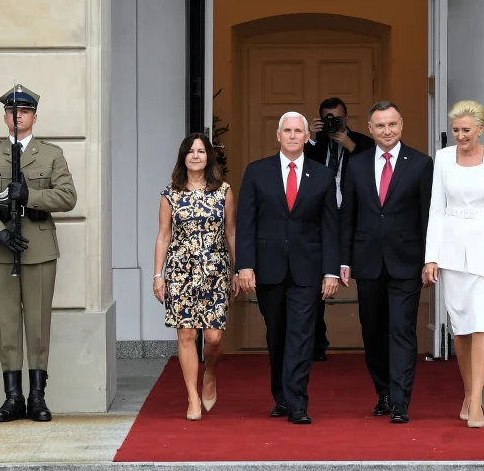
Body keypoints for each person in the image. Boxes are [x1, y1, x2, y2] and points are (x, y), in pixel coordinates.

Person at [0, 86, 77, 423]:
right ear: (5, 117)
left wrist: (30, 196)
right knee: (7, 323)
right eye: (12, 111)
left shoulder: (51, 154)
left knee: (38, 324)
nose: (17, 116)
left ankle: (37, 397)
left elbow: (68, 196)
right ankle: (13, 398)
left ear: (34, 117)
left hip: (38, 246)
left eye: (24, 111)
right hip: (1, 248)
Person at [234, 112, 340, 424]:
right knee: (277, 333)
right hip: (269, 268)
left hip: (308, 270)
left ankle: (297, 403)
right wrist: (245, 266)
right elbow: (246, 222)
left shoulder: (323, 175)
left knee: (301, 334)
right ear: (278, 135)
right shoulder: (257, 172)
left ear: (307, 137)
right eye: (287, 131)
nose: (293, 136)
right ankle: (281, 396)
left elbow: (330, 227)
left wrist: (331, 271)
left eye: (298, 131)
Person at [338, 101, 433, 423]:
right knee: (373, 331)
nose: (387, 131)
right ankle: (384, 392)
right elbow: (347, 215)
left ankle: (401, 400)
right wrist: (344, 259)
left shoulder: (421, 163)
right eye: (380, 125)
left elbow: (428, 217)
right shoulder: (357, 163)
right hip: (367, 262)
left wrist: (429, 259)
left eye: (392, 124)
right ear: (370, 129)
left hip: (407, 262)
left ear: (401, 125)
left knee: (402, 329)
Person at [423, 100, 484, 429]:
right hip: (451, 253)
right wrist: (431, 257)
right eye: (456, 130)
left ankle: (476, 400)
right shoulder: (443, 158)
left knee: (481, 323)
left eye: (466, 130)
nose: (460, 136)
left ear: (480, 129)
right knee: (461, 326)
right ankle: (467, 392)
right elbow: (436, 209)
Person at [152, 133, 236, 421]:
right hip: (180, 271)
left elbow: (231, 233)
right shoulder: (170, 194)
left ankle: (210, 373)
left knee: (213, 337)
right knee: (186, 334)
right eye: (191, 151)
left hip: (215, 271)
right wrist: (158, 275)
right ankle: (192, 397)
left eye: (201, 151)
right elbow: (163, 236)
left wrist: (238, 270)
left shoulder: (223, 191)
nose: (196, 156)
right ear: (183, 157)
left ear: (208, 156)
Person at [306, 97, 374, 360]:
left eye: (337, 118)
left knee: (368, 281)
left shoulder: (363, 143)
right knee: (314, 283)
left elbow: (372, 169)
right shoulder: (315, 144)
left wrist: (349, 145)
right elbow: (302, 169)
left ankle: (374, 344)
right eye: (328, 119)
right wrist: (312, 139)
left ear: (346, 118)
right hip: (320, 219)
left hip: (354, 218)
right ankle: (316, 344)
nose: (333, 122)